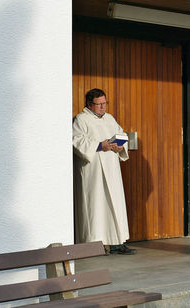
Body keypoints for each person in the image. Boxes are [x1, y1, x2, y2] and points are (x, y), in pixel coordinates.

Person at [73, 88, 136, 255]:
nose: (102, 107)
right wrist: (101, 145)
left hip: (111, 167)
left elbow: (121, 134)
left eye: (104, 103)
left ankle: (117, 243)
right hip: (93, 171)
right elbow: (77, 140)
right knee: (96, 207)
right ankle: (94, 246)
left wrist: (120, 145)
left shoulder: (109, 119)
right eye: (98, 104)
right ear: (88, 104)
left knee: (115, 204)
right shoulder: (81, 119)